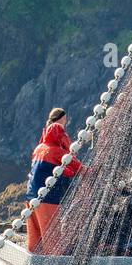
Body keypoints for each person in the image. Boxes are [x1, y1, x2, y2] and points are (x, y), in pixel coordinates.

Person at [25, 107, 81, 251]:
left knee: (34, 240)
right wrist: (92, 172)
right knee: (52, 239)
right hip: (47, 199)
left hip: (30, 197)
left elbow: (51, 169)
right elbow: (77, 168)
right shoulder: (56, 151)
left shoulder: (38, 149)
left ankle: (34, 264)